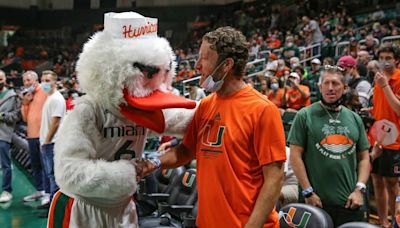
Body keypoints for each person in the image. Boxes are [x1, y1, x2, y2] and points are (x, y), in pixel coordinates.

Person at [137, 26, 286, 228]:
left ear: (227, 65)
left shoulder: (262, 109)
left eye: (204, 58)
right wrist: (153, 163)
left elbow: (274, 178)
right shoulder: (206, 105)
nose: (197, 65)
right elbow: (185, 151)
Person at [288, 65, 370, 227]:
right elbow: (295, 156)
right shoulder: (304, 115)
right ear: (319, 87)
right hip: (314, 200)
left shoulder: (354, 119)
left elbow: (364, 157)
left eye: (335, 83)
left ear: (345, 88)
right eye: (326, 83)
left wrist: (359, 189)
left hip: (349, 201)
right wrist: (307, 191)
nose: (330, 88)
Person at [369, 45, 400, 228]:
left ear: (396, 60)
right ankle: (382, 222)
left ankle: (395, 221)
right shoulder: (379, 78)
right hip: (377, 138)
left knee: (392, 183)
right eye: (382, 57)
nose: (385, 61)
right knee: (377, 182)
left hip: (395, 140)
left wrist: (385, 85)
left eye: (389, 57)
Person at [38, 70, 66, 215]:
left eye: (48, 80)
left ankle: (54, 210)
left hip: (52, 143)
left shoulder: (56, 98)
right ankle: (51, 202)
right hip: (47, 142)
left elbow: (55, 123)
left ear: (55, 82)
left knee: (54, 176)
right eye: (43, 80)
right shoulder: (49, 98)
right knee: (49, 174)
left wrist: (47, 141)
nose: (45, 83)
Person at [21, 71, 50, 205]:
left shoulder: (44, 88)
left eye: (28, 80)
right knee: (36, 165)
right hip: (31, 135)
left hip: (44, 134)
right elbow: (25, 118)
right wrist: (25, 103)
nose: (26, 83)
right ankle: (39, 190)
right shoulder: (27, 95)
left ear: (36, 80)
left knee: (46, 166)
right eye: (24, 81)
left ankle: (48, 193)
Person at [0, 70, 21, 203]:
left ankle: (7, 190)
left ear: (5, 79)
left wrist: (2, 116)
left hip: (3, 134)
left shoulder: (12, 96)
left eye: (0, 79)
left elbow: (16, 116)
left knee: (5, 165)